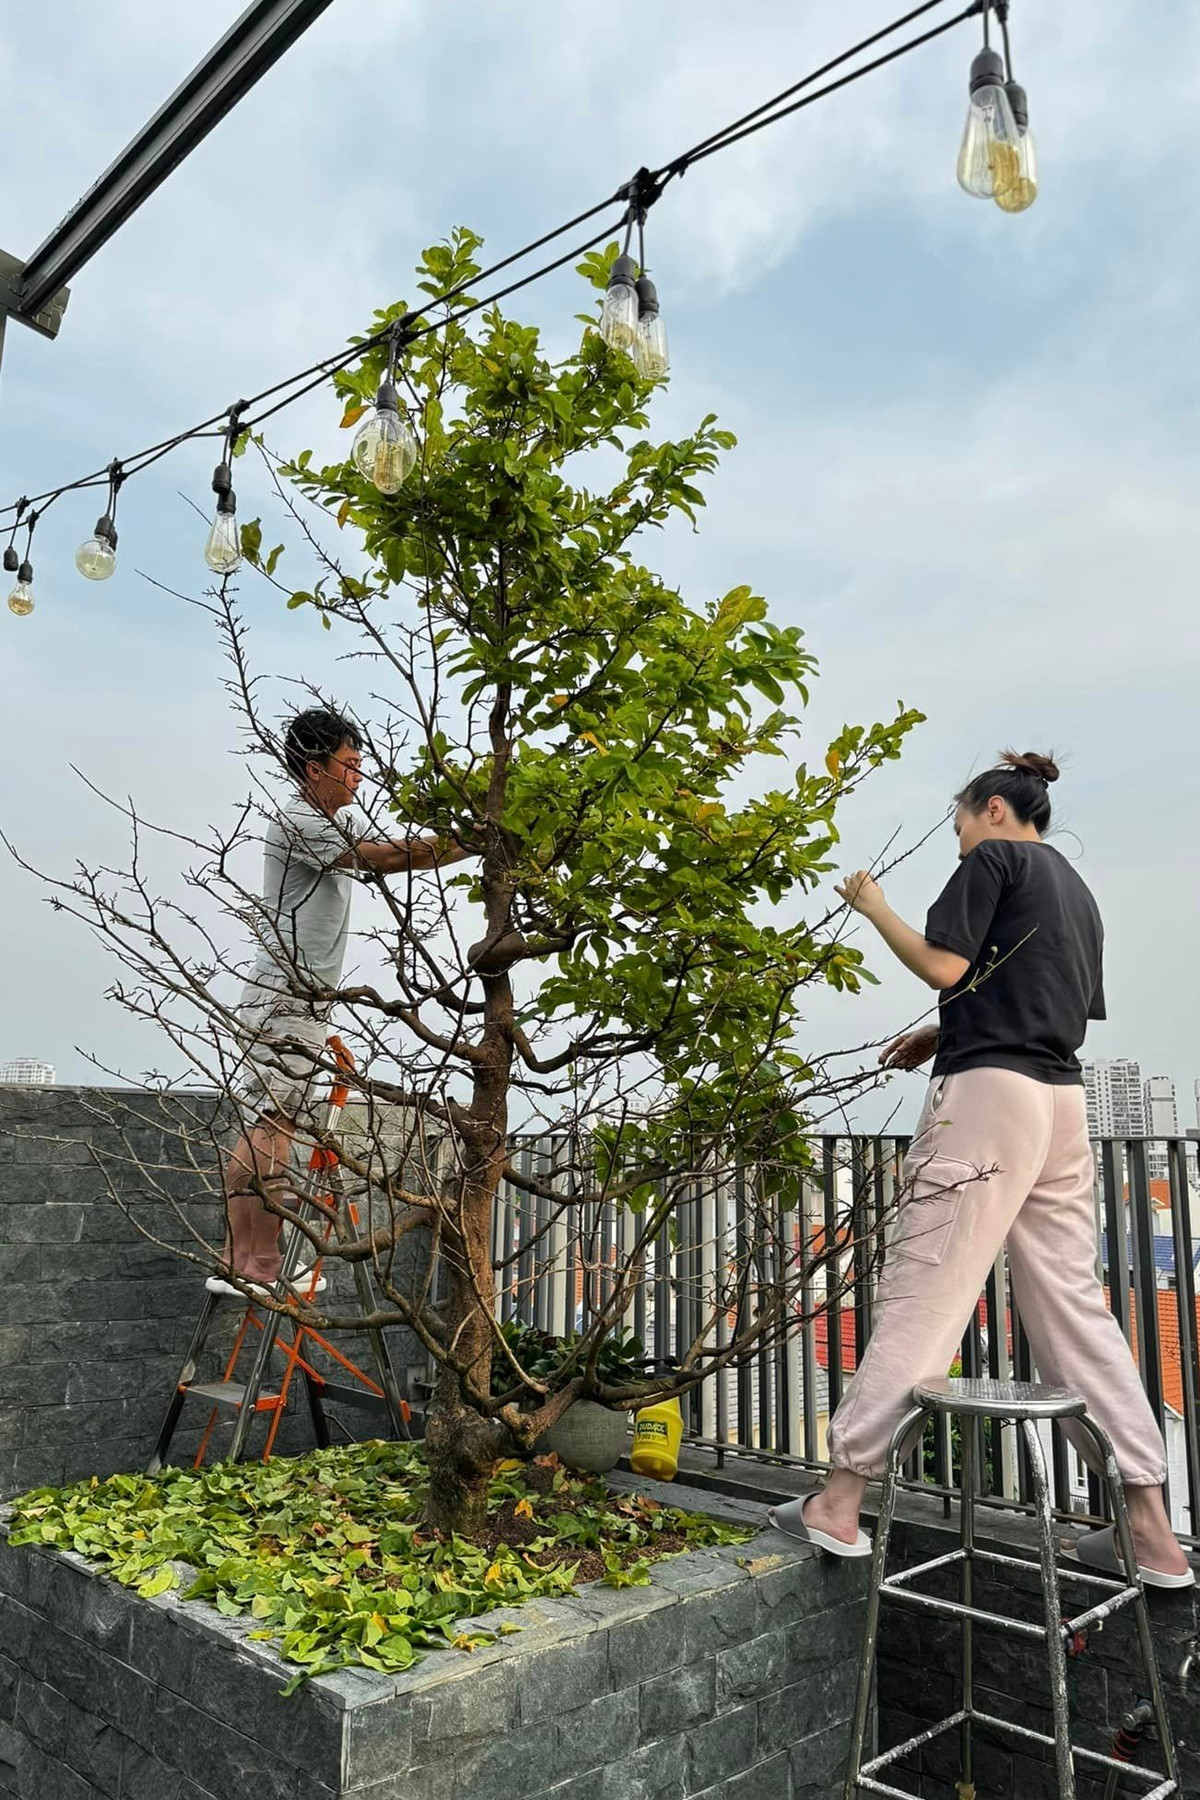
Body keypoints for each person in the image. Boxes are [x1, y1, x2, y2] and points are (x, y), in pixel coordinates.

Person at [768, 750, 1193, 1588]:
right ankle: (1151, 1527)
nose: (958, 844)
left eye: (959, 825)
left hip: (990, 1102)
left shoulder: (993, 857)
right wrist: (942, 1031)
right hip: (1059, 1103)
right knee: (1074, 1310)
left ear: (993, 809)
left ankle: (842, 1499)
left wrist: (873, 906)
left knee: (926, 1290)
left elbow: (943, 964)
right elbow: (1034, 998)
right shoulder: (1075, 887)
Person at [221, 706, 477, 1289]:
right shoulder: (297, 821)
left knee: (273, 1121)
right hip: (285, 998)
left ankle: (251, 1257)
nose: (361, 776)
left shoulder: (325, 822)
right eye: (351, 764)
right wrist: (474, 841)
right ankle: (255, 1261)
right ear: (315, 768)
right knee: (269, 1125)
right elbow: (390, 857)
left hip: (298, 998)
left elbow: (390, 847)